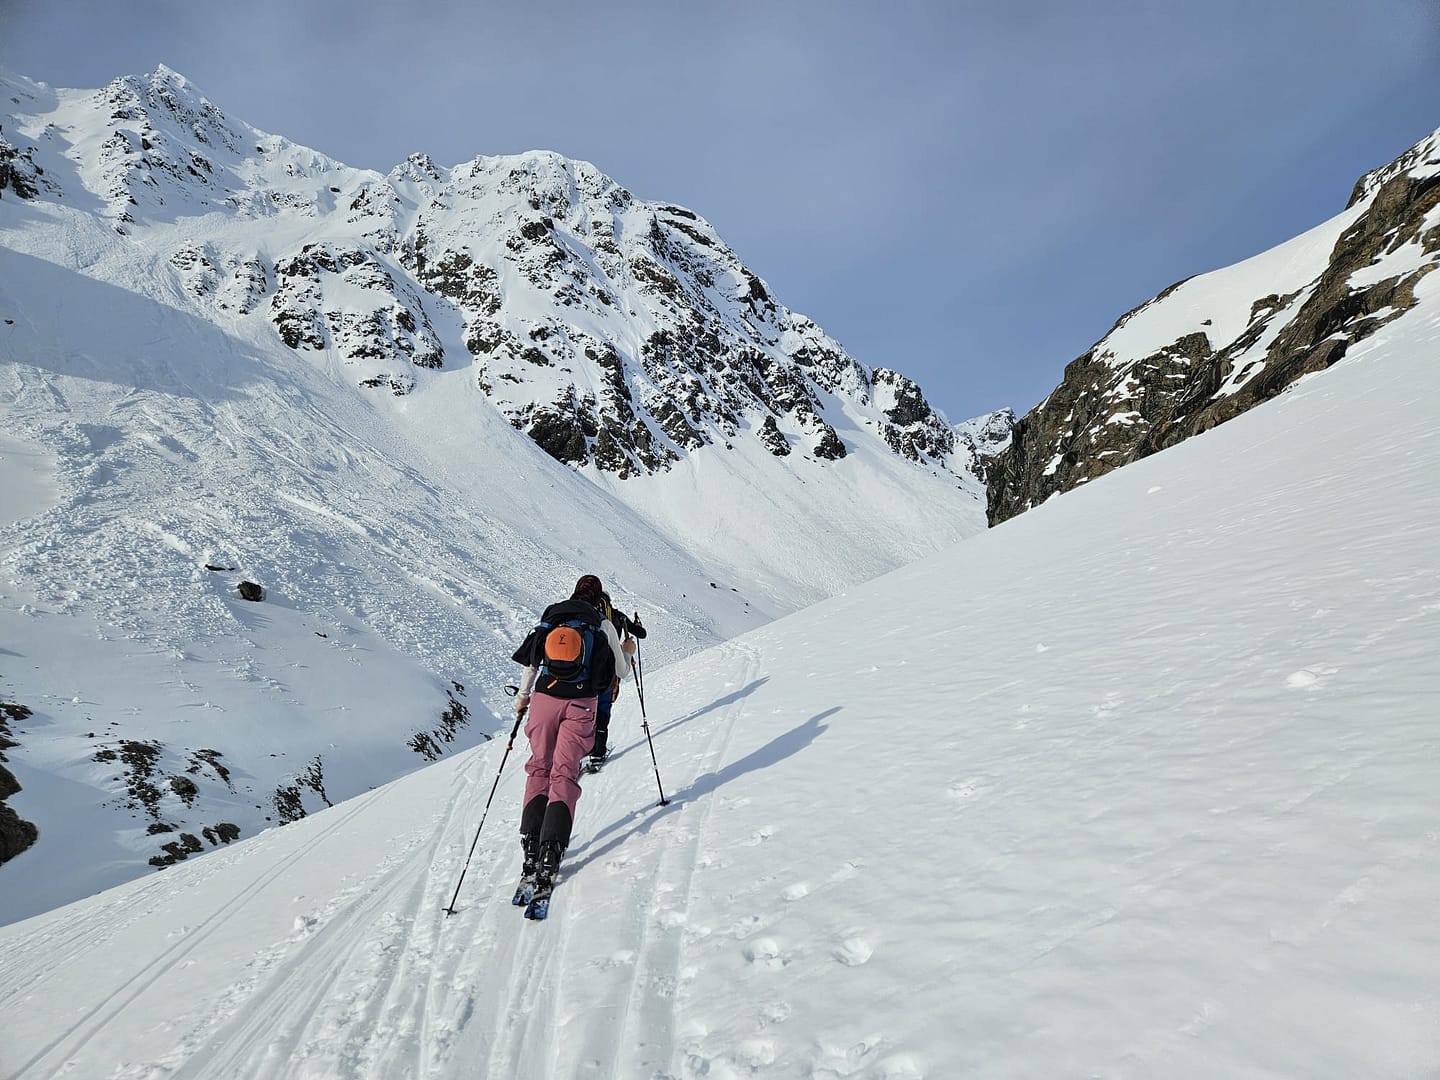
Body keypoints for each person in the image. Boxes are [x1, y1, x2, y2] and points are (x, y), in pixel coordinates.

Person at [511, 574, 616, 891]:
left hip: (544, 697)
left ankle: (531, 845)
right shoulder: (600, 622)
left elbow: (531, 661)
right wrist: (625, 650)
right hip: (580, 703)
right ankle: (551, 852)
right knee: (564, 774)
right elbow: (617, 672)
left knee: (539, 767)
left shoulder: (553, 613)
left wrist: (523, 697)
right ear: (598, 597)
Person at [588, 591, 646, 771]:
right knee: (603, 708)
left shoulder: (587, 615)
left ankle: (578, 750)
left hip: (587, 672)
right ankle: (597, 752)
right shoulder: (618, 617)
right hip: (611, 670)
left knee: (585, 710)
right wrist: (635, 627)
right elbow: (641, 634)